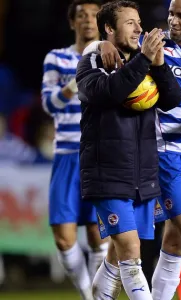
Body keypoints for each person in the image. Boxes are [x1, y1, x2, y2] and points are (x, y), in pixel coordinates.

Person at [83, 1, 181, 299]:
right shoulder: (157, 44)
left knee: (173, 245)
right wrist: (100, 42)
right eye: (171, 14)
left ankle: (106, 291)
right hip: (166, 153)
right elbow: (118, 41)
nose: (173, 21)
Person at [76, 1, 181, 299]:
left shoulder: (144, 62)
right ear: (109, 29)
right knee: (132, 253)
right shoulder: (91, 63)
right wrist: (144, 59)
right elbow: (110, 92)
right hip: (107, 173)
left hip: (143, 175)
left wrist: (158, 64)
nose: (139, 28)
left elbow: (173, 98)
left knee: (116, 255)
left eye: (139, 22)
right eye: (130, 23)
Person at [41, 1, 107, 299]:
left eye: (94, 15)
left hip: (99, 154)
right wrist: (74, 83)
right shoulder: (56, 58)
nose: (88, 20)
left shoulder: (110, 55)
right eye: (81, 16)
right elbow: (49, 104)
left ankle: (96, 295)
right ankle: (86, 292)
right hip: (67, 155)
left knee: (97, 234)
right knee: (64, 239)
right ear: (72, 23)